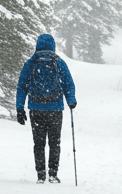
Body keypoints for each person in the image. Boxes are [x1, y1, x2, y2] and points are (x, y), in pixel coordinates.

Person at [15, 34, 77, 183]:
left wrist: (20, 108)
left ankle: (41, 175)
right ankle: (53, 174)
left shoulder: (31, 63)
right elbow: (68, 83)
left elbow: (22, 86)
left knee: (39, 143)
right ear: (52, 45)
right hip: (55, 109)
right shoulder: (58, 62)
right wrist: (71, 100)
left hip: (36, 109)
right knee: (54, 143)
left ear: (37, 45)